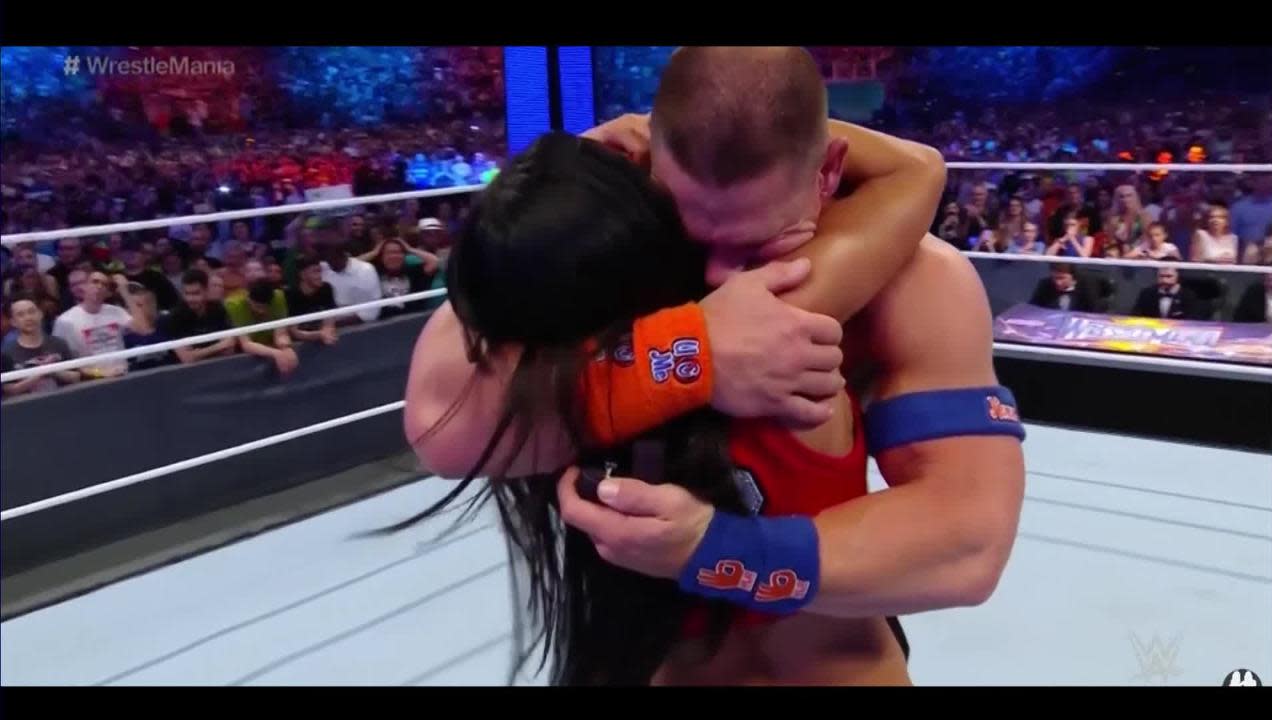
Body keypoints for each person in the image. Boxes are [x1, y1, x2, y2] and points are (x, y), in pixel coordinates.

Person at [403, 48, 1024, 685]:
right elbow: (439, 424)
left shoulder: (912, 281)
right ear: (646, 167)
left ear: (828, 172)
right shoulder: (595, 267)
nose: (721, 276)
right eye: (694, 233)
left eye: (756, 242)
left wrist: (714, 550)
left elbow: (967, 546)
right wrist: (691, 352)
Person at [1, 296, 80, 398]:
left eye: (31, 311)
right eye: (21, 315)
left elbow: (76, 377)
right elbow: (9, 390)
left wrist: (52, 370)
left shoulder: (58, 343)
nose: (28, 317)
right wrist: (40, 373)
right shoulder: (6, 352)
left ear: (40, 314)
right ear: (13, 322)